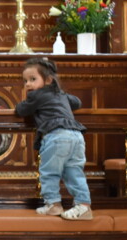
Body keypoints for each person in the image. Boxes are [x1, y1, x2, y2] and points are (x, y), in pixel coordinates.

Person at [15, 57, 92, 220]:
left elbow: (22, 110)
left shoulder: (36, 95)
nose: (28, 84)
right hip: (77, 136)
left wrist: (23, 103)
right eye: (25, 81)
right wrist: (61, 94)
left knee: (49, 172)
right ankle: (83, 206)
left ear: (48, 80)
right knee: (74, 172)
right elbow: (77, 102)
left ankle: (53, 204)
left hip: (56, 136)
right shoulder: (60, 94)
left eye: (32, 79)